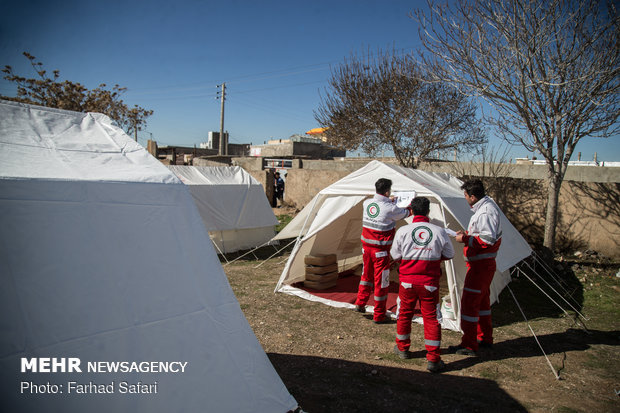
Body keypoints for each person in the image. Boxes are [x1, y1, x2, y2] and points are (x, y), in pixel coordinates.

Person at [390, 197, 454, 373]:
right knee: (431, 319)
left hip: (407, 282)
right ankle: (433, 359)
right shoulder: (439, 231)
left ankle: (402, 348)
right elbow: (449, 253)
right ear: (428, 211)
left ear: (412, 210)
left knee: (404, 314)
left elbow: (395, 255)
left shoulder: (403, 231)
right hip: (429, 284)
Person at [450, 179, 503, 356]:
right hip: (482, 265)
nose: (465, 199)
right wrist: (467, 235)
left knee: (469, 304)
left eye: (465, 195)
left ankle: (469, 344)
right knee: (482, 304)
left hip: (480, 266)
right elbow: (483, 235)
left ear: (473, 196)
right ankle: (484, 337)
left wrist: (465, 239)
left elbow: (486, 240)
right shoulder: (486, 208)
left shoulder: (486, 213)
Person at [355, 178, 412, 323]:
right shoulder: (391, 209)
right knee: (381, 282)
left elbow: (380, 208)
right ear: (387, 191)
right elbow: (406, 213)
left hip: (366, 249)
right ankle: (379, 314)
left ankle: (360, 303)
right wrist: (410, 205)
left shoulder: (367, 203)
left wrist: (389, 200)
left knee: (366, 276)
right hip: (380, 252)